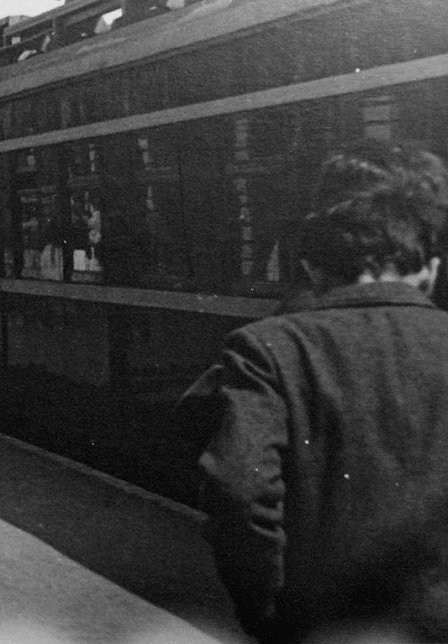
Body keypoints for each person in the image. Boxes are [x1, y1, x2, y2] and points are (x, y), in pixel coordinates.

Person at [181, 140, 448, 644]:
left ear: (313, 267)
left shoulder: (267, 348)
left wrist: (265, 612)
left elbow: (238, 491)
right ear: (431, 269)